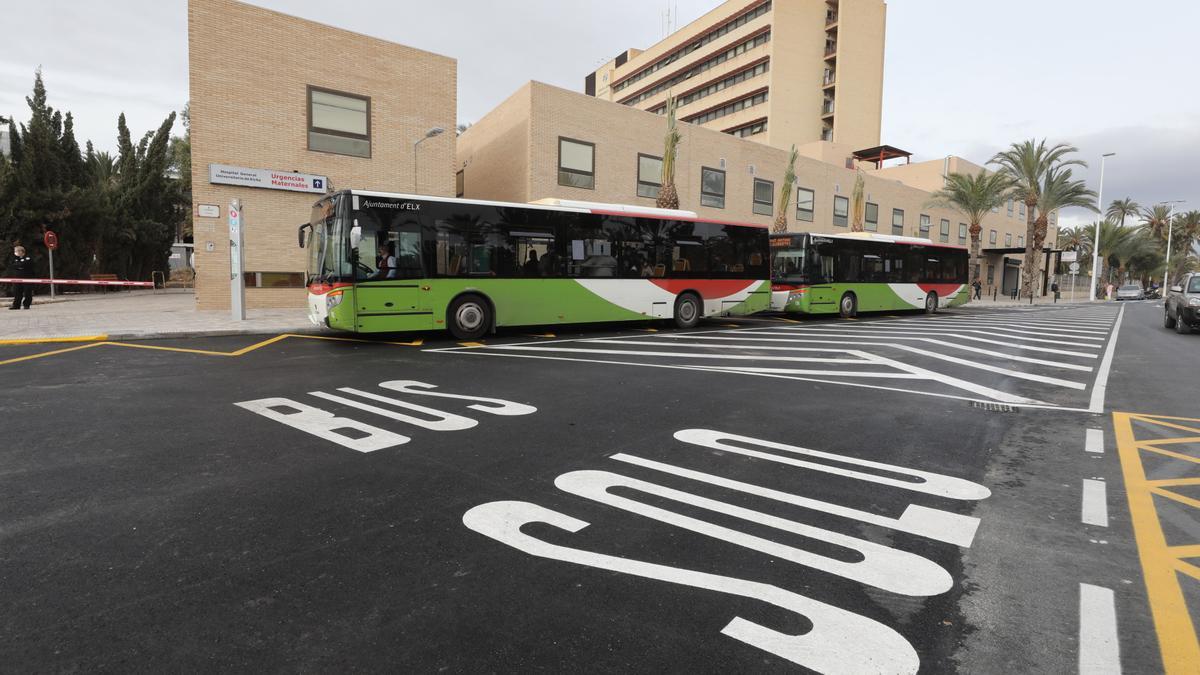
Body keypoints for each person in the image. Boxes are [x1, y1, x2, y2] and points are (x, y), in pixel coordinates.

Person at [8, 245, 34, 310]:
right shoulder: (15, 259)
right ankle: (16, 305)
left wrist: (18, 265)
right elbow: (12, 265)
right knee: (17, 292)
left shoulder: (28, 258)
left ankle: (26, 305)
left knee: (27, 292)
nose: (15, 252)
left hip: (27, 278)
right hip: (17, 278)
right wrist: (19, 265)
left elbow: (24, 264)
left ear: (21, 251)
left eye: (16, 251)